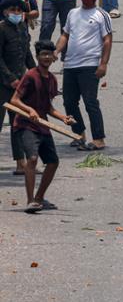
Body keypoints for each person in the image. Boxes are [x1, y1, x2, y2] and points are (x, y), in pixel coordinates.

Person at [10, 39, 75, 213]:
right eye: (42, 54)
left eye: (49, 54)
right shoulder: (31, 75)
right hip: (25, 125)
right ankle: (31, 200)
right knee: (32, 159)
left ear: (54, 57)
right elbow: (14, 100)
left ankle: (40, 197)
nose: (46, 57)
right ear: (38, 56)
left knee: (53, 162)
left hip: (41, 125)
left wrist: (63, 118)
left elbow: (48, 108)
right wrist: (29, 109)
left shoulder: (52, 79)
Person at [53, 0, 111, 151]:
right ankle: (79, 134)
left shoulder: (102, 15)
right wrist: (56, 51)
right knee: (69, 102)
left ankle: (99, 138)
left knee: (90, 102)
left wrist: (103, 64)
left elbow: (107, 40)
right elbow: (65, 35)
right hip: (70, 64)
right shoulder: (73, 13)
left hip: (90, 64)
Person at [0, 0, 35, 175]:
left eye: (19, 10)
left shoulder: (22, 28)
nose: (16, 13)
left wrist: (37, 74)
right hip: (3, 85)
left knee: (18, 123)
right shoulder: (1, 29)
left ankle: (21, 163)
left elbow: (27, 53)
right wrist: (10, 78)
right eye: (12, 10)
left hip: (19, 85)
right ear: (5, 12)